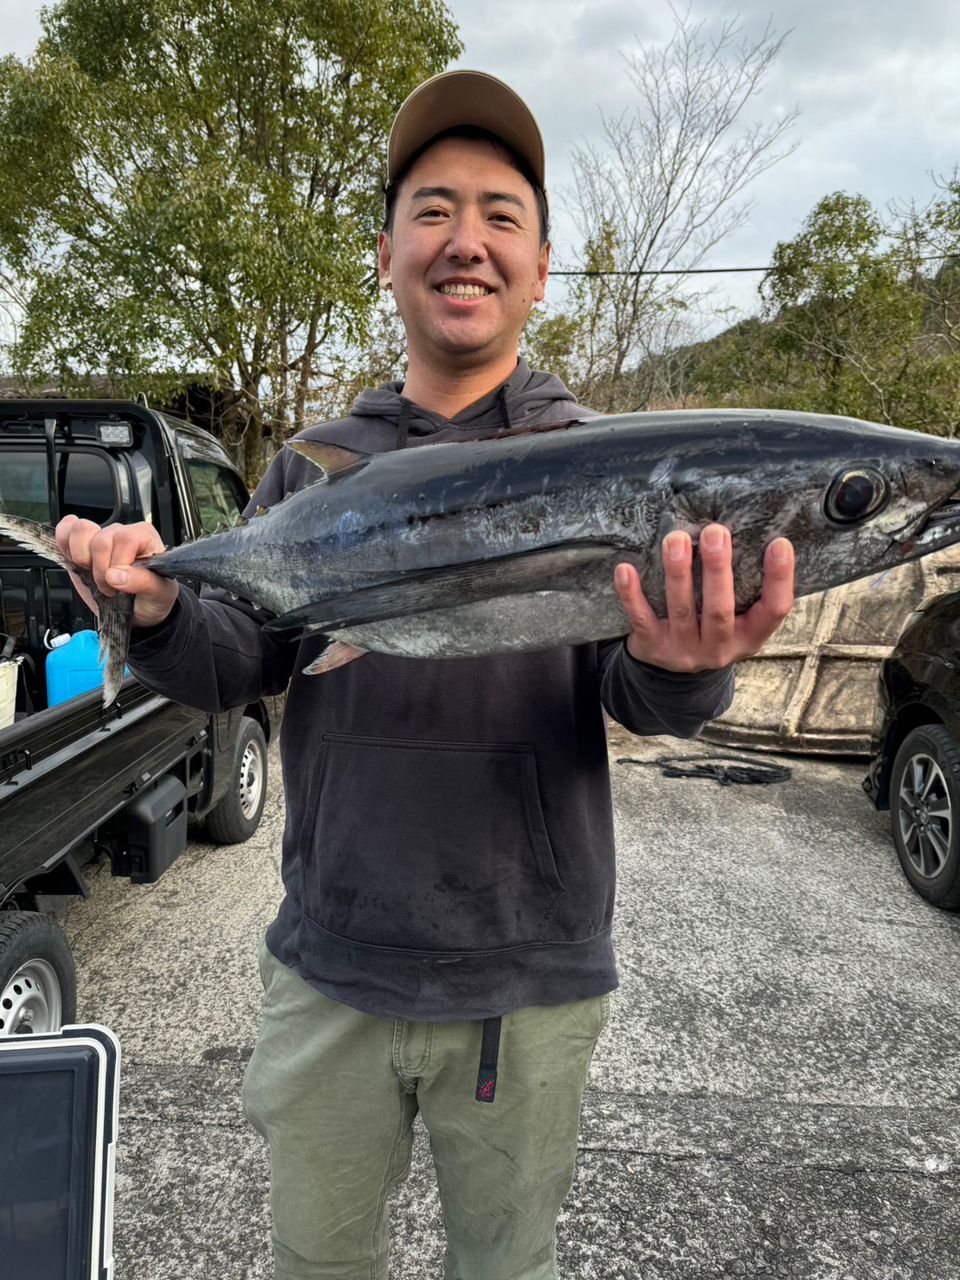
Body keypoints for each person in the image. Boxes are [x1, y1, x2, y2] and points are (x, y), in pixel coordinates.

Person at [56, 70, 795, 1280]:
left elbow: (634, 688)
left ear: (545, 266)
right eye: (435, 210)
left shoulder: (599, 460)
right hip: (331, 960)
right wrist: (152, 609)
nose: (468, 241)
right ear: (389, 252)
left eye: (503, 215)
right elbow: (242, 655)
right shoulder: (311, 469)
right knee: (316, 1260)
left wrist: (684, 669)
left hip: (528, 975)